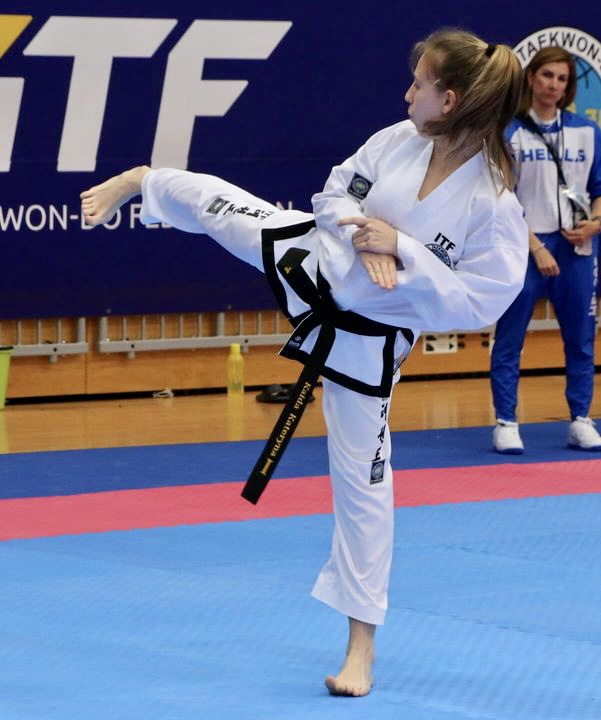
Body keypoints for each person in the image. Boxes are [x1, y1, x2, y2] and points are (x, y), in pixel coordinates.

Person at [80, 29, 528, 697]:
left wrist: (404, 249)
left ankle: (360, 649)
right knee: (228, 210)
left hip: (366, 339)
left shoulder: (491, 203)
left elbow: (482, 300)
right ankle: (143, 179)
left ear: (451, 100)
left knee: (365, 488)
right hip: (318, 264)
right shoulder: (396, 141)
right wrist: (363, 237)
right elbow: (334, 193)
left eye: (419, 84)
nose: (407, 93)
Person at [488, 46, 601, 454]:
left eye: (561, 78)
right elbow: (501, 198)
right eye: (547, 76)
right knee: (510, 338)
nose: (553, 85)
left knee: (581, 338)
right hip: (524, 247)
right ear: (531, 77)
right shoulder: (510, 132)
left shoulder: (587, 131)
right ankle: (506, 421)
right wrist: (536, 247)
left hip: (576, 248)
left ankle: (581, 419)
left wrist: (596, 221)